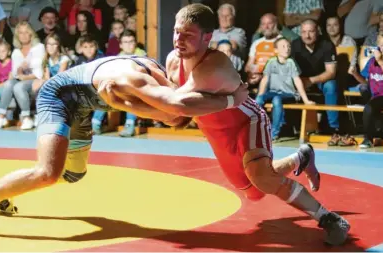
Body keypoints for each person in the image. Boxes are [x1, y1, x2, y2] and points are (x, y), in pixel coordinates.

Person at [99, 4, 350, 246]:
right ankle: (299, 158)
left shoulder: (213, 65)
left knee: (261, 176)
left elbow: (175, 107)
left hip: (246, 120)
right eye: (177, 31)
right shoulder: (174, 61)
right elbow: (176, 119)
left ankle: (330, 220)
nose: (178, 40)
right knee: (254, 191)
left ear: (207, 37)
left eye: (188, 35)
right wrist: (122, 103)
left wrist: (123, 103)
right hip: (216, 132)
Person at [0, 54, 249, 237]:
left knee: (73, 174)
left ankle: (5, 189)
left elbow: (173, 118)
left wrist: (119, 103)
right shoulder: (134, 77)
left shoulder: (156, 75)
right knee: (48, 172)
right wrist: (229, 100)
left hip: (82, 108)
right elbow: (174, 113)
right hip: (57, 97)